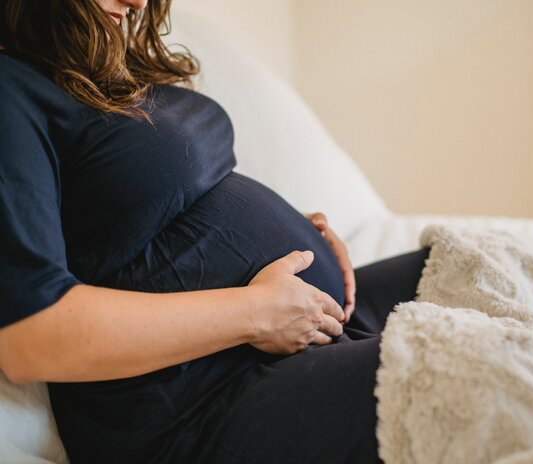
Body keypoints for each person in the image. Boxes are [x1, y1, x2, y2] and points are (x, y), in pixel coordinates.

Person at [0, 0, 430, 462]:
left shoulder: (95, 69)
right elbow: (30, 338)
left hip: (298, 332)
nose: (137, 3)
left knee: (493, 266)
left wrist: (300, 235)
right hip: (203, 400)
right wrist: (254, 312)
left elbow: (139, 208)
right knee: (471, 369)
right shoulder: (11, 86)